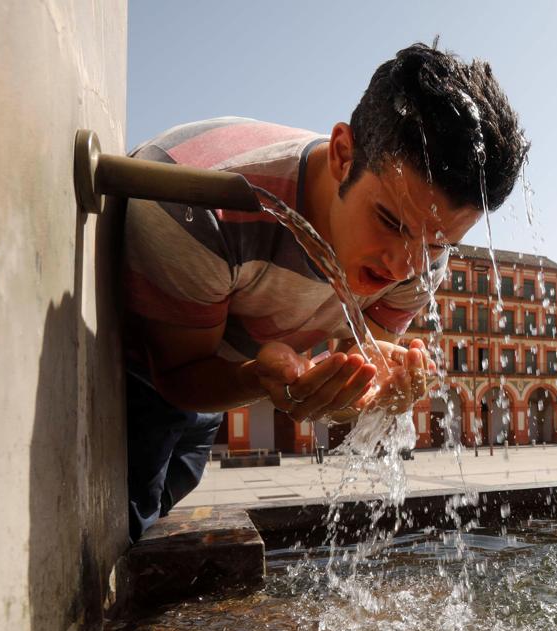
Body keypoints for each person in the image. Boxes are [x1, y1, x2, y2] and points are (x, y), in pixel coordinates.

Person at [121, 44, 527, 541]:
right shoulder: (199, 206)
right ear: (342, 154)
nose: (404, 266)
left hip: (217, 372)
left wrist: (374, 390)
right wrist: (259, 380)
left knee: (173, 487)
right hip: (135, 373)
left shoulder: (423, 256)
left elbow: (353, 364)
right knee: (125, 523)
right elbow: (178, 377)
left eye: (438, 242)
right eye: (389, 221)